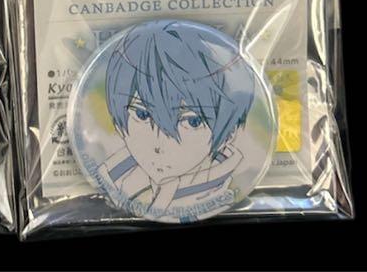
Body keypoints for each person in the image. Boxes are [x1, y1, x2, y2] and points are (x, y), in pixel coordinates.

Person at [99, 21, 256, 216]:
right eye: (142, 115)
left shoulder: (219, 197)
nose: (159, 145)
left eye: (193, 122)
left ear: (229, 134)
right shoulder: (119, 177)